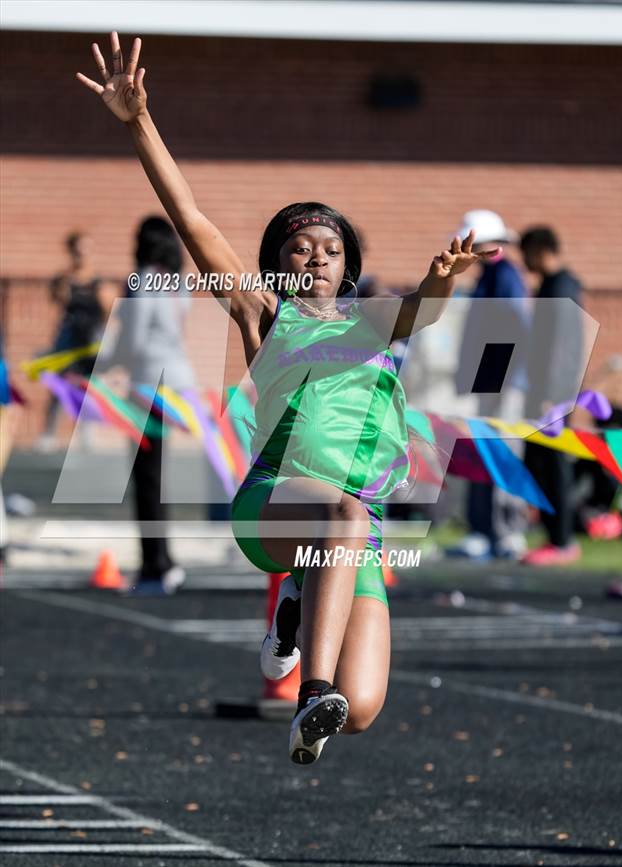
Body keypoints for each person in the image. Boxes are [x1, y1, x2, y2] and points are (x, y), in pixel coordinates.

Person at [76, 32, 500, 763]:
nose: (316, 258)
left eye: (330, 251)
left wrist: (442, 280)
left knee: (361, 710)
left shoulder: (374, 324)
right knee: (341, 521)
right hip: (276, 500)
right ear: (277, 264)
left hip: (353, 531)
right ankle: (311, 688)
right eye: (300, 248)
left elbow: (422, 311)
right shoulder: (266, 314)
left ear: (348, 267)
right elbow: (192, 220)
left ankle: (300, 616)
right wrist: (138, 121)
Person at [98, 216, 193, 595]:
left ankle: (156, 566)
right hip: (175, 382)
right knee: (154, 477)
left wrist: (98, 363)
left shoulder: (142, 281)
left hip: (149, 384)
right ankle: (162, 561)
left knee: (146, 480)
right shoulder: (177, 283)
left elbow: (133, 343)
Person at [451, 210, 530, 559]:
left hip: (503, 382)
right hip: (489, 382)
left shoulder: (506, 277)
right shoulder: (488, 278)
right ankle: (483, 530)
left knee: (502, 453)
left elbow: (515, 330)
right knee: (484, 453)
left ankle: (508, 532)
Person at [519, 226, 584, 565]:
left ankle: (562, 541)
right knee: (537, 462)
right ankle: (552, 536)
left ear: (541, 251)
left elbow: (562, 346)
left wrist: (552, 394)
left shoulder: (562, 287)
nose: (525, 262)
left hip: (552, 394)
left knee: (554, 465)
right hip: (541, 391)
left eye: (527, 254)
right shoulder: (549, 286)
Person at [37, 231, 107, 451]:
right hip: (68, 338)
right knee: (59, 384)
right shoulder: (64, 280)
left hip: (90, 339)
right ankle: (48, 433)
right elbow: (57, 298)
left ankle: (87, 432)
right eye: (79, 250)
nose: (83, 255)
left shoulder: (98, 281)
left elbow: (107, 309)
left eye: (87, 250)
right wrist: (68, 280)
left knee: (89, 386)